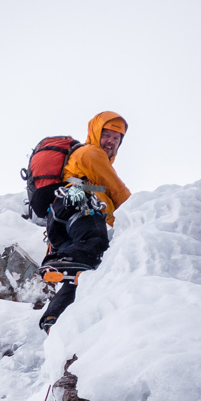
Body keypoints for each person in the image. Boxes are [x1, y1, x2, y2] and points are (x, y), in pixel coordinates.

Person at [38, 111, 130, 333]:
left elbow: (108, 202)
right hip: (76, 205)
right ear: (95, 133)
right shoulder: (91, 153)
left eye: (116, 138)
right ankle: (67, 259)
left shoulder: (87, 157)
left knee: (81, 275)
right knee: (95, 240)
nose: (111, 141)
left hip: (62, 220)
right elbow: (116, 190)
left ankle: (54, 317)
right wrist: (138, 215)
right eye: (106, 134)